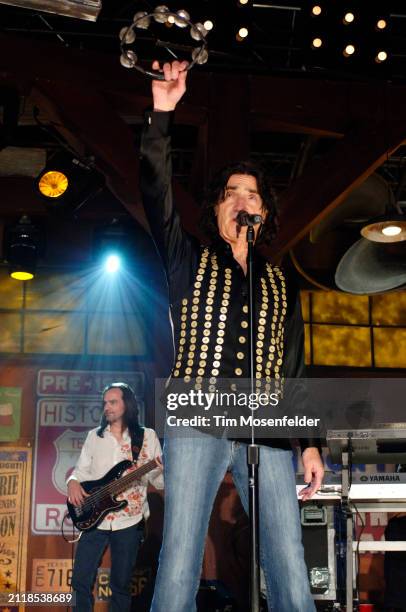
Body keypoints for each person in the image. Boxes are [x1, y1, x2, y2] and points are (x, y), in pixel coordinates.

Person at [140, 60, 324, 612]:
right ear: (219, 207)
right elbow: (156, 195)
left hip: (264, 422)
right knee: (179, 558)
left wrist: (310, 442)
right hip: (197, 414)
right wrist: (162, 115)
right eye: (231, 192)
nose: (242, 199)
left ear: (263, 212)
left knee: (287, 554)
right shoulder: (187, 258)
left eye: (252, 194)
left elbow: (294, 369)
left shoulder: (278, 282)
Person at [67, 382, 163, 611]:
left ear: (126, 404)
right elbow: (81, 471)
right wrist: (72, 482)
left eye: (113, 402)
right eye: (105, 403)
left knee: (120, 585)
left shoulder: (147, 437)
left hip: (130, 520)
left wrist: (158, 468)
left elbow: (158, 482)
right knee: (80, 581)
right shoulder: (94, 436)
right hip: (94, 518)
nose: (107, 407)